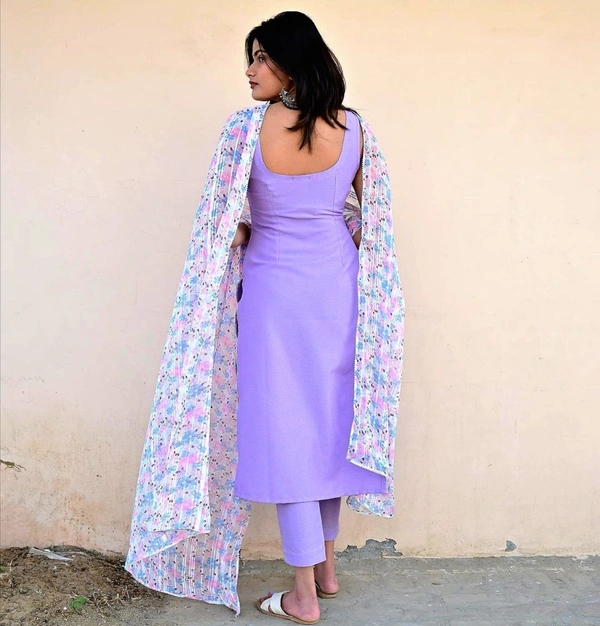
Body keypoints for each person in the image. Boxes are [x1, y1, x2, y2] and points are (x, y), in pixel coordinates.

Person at [125, 11, 404, 624]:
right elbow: (371, 221)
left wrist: (254, 231)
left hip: (275, 296)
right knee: (326, 428)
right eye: (249, 58)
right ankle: (325, 569)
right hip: (338, 293)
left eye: (261, 57)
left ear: (291, 63)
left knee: (288, 437)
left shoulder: (245, 129)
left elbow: (219, 221)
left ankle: (303, 596)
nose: (250, 70)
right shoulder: (355, 128)